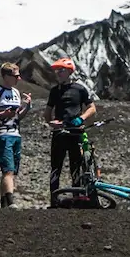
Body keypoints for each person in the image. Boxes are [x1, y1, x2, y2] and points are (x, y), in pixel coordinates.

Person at [45, 57, 96, 200]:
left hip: (76, 132)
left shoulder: (80, 89)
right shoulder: (54, 91)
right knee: (56, 166)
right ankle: (54, 199)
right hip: (59, 132)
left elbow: (92, 108)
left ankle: (77, 197)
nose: (58, 73)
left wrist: (81, 118)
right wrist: (51, 122)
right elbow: (47, 112)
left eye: (61, 70)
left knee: (76, 165)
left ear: (69, 72)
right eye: (57, 71)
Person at [0, 62, 32, 208]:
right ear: (6, 77)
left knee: (11, 172)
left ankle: (4, 203)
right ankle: (11, 202)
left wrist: (27, 107)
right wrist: (3, 114)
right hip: (3, 135)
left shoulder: (16, 93)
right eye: (15, 76)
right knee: (8, 170)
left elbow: (17, 117)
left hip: (16, 134)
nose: (19, 79)